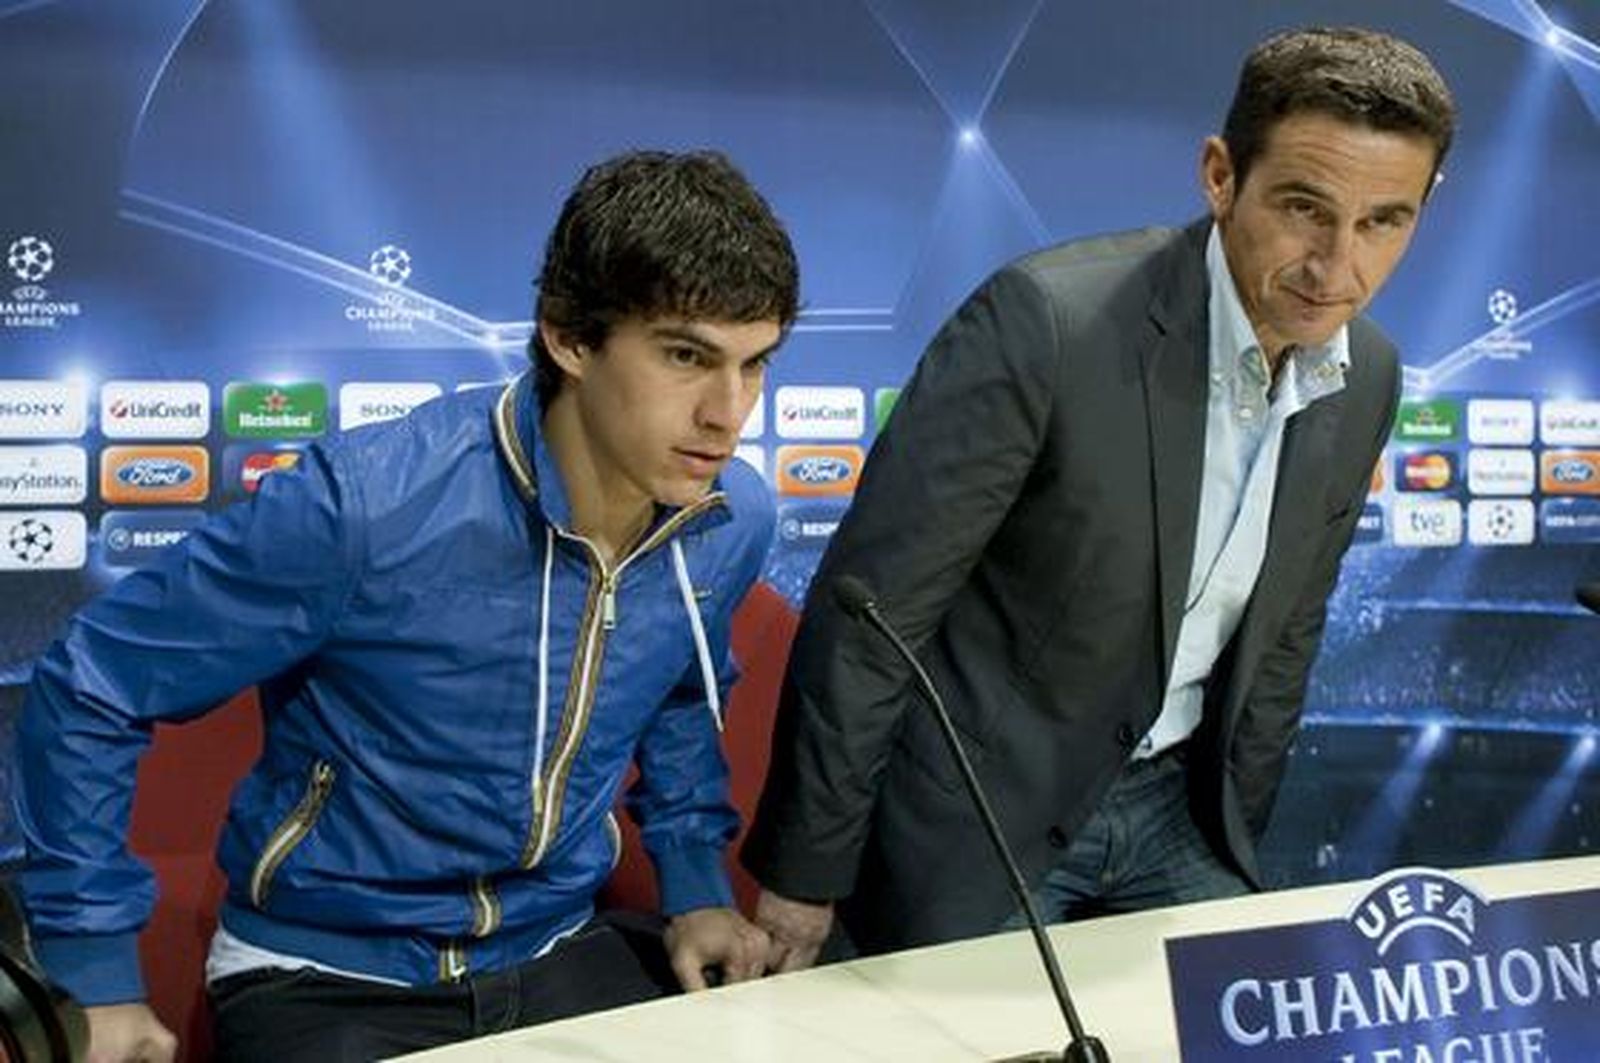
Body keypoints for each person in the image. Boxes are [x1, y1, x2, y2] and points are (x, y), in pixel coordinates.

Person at [15, 149, 799, 1061]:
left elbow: (679, 689)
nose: (728, 412)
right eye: (686, 356)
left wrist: (696, 888)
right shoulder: (362, 505)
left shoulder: (728, 518)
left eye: (755, 364)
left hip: (555, 947)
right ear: (570, 338)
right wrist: (96, 978)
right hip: (325, 974)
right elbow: (92, 684)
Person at [743, 26, 1456, 968]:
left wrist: (1234, 833)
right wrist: (804, 877)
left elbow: (1287, 635)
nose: (1337, 267)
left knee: (1249, 1018)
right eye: (1303, 208)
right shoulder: (1046, 323)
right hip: (986, 817)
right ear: (1219, 175)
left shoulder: (1369, 375)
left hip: (1178, 815)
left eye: (1384, 223)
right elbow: (872, 616)